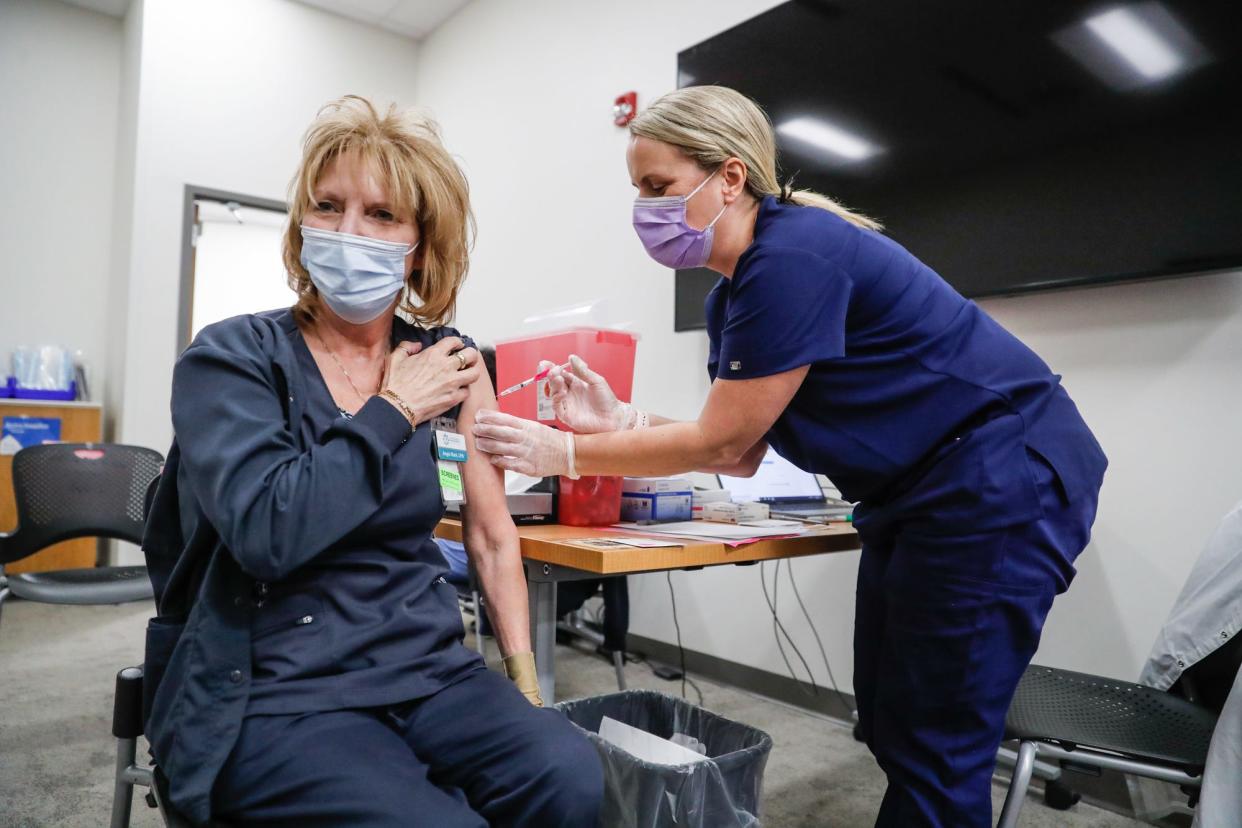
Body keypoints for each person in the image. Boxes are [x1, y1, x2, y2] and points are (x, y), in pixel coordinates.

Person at [472, 85, 1108, 828]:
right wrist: (625, 419)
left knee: (938, 741)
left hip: (1000, 477)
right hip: (923, 491)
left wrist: (570, 450)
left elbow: (723, 443)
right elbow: (743, 449)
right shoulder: (732, 297)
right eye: (637, 190)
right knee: (892, 714)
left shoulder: (794, 254)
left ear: (731, 177)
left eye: (659, 187)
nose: (645, 209)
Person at [142, 96, 602, 827]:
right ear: (302, 223)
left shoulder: (449, 363)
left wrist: (525, 684)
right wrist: (393, 410)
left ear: (419, 245)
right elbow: (268, 532)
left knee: (571, 775)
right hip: (279, 687)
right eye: (328, 206)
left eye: (382, 215)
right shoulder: (230, 358)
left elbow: (488, 532)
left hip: (427, 671)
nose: (349, 232)